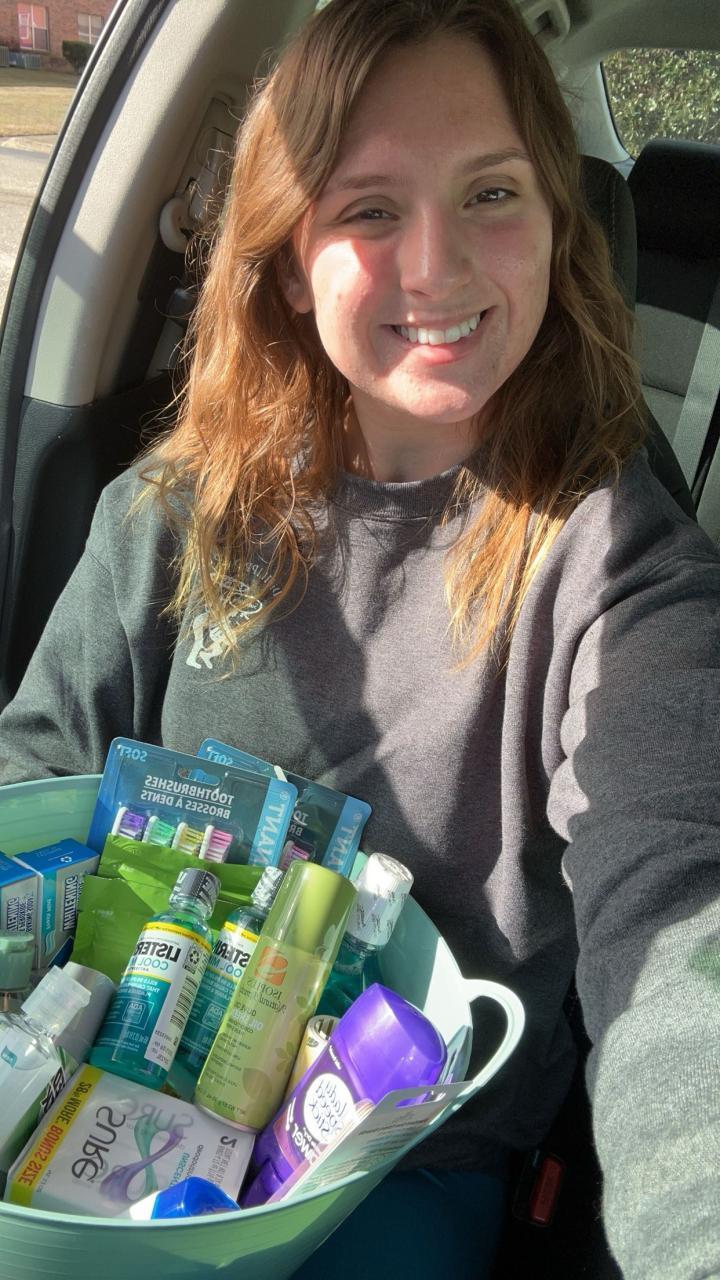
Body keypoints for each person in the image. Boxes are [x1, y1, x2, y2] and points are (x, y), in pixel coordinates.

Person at [0, 0, 718, 1276]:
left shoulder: (619, 574)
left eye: (490, 192)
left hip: (393, 1176)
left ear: (558, 222)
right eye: (370, 209)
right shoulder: (168, 515)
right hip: (93, 1086)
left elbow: (683, 922)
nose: (435, 265)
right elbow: (31, 779)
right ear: (291, 260)